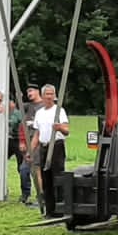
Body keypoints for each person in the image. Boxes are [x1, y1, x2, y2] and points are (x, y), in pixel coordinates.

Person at [33, 84, 72, 217]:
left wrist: (59, 128)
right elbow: (37, 134)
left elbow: (67, 131)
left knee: (58, 177)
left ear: (54, 96)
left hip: (56, 147)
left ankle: (60, 210)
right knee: (46, 179)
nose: (49, 97)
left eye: (51, 94)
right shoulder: (39, 113)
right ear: (42, 96)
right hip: (44, 147)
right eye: (47, 94)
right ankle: (50, 210)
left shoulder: (59, 111)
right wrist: (30, 150)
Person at [18, 85, 43, 206]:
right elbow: (22, 125)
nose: (29, 93)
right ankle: (25, 194)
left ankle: (41, 197)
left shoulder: (44, 106)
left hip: (39, 143)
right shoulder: (28, 107)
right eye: (27, 91)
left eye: (31, 90)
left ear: (38, 91)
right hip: (29, 143)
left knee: (37, 171)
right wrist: (22, 141)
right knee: (24, 170)